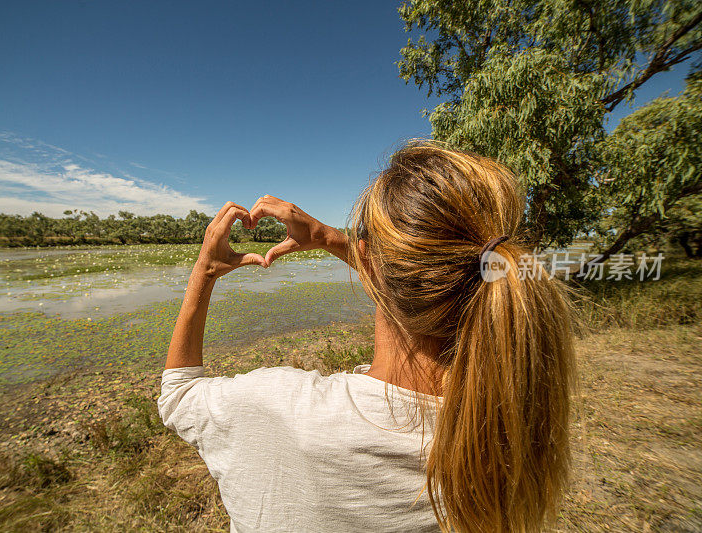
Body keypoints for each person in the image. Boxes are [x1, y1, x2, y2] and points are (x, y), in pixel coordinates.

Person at [157, 139, 577, 532]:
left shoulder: (284, 408)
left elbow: (177, 395)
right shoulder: (509, 414)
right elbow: (428, 280)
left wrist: (205, 272)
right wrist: (333, 240)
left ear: (367, 262)